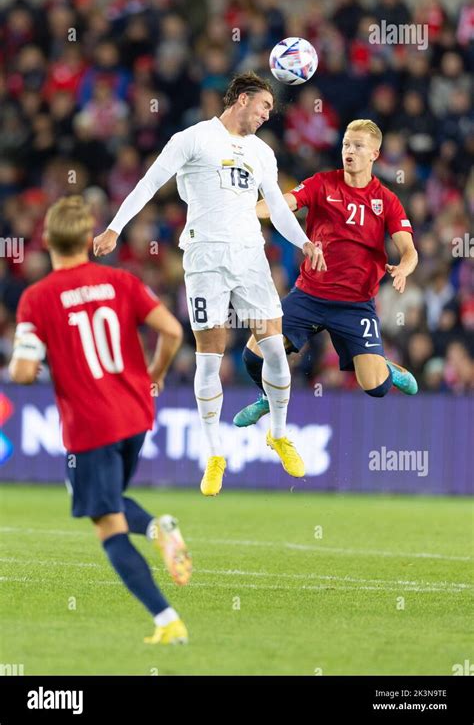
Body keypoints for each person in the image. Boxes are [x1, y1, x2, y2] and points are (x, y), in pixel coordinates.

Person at [93, 72, 322, 496]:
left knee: (274, 346)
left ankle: (278, 432)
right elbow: (149, 183)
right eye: (264, 107)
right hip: (204, 257)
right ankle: (215, 452)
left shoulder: (263, 153)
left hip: (251, 257)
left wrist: (305, 242)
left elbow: (276, 207)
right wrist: (114, 228)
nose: (267, 115)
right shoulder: (193, 138)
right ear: (241, 100)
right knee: (209, 357)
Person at [9, 195, 191, 645]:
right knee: (105, 499)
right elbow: (171, 331)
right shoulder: (120, 281)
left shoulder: (37, 298)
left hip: (91, 424)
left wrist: (32, 362)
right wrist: (155, 374)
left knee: (106, 523)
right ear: (90, 239)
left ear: (48, 239)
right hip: (135, 414)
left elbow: (24, 372)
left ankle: (167, 619)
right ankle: (155, 528)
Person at [233, 119, 419, 428]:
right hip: (310, 295)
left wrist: (403, 268)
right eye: (346, 144)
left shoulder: (386, 200)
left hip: (355, 304)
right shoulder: (322, 183)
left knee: (375, 387)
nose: (349, 151)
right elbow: (283, 204)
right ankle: (268, 397)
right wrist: (247, 210)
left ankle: (387, 367)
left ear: (374, 154)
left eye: (358, 146)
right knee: (254, 355)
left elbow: (410, 251)